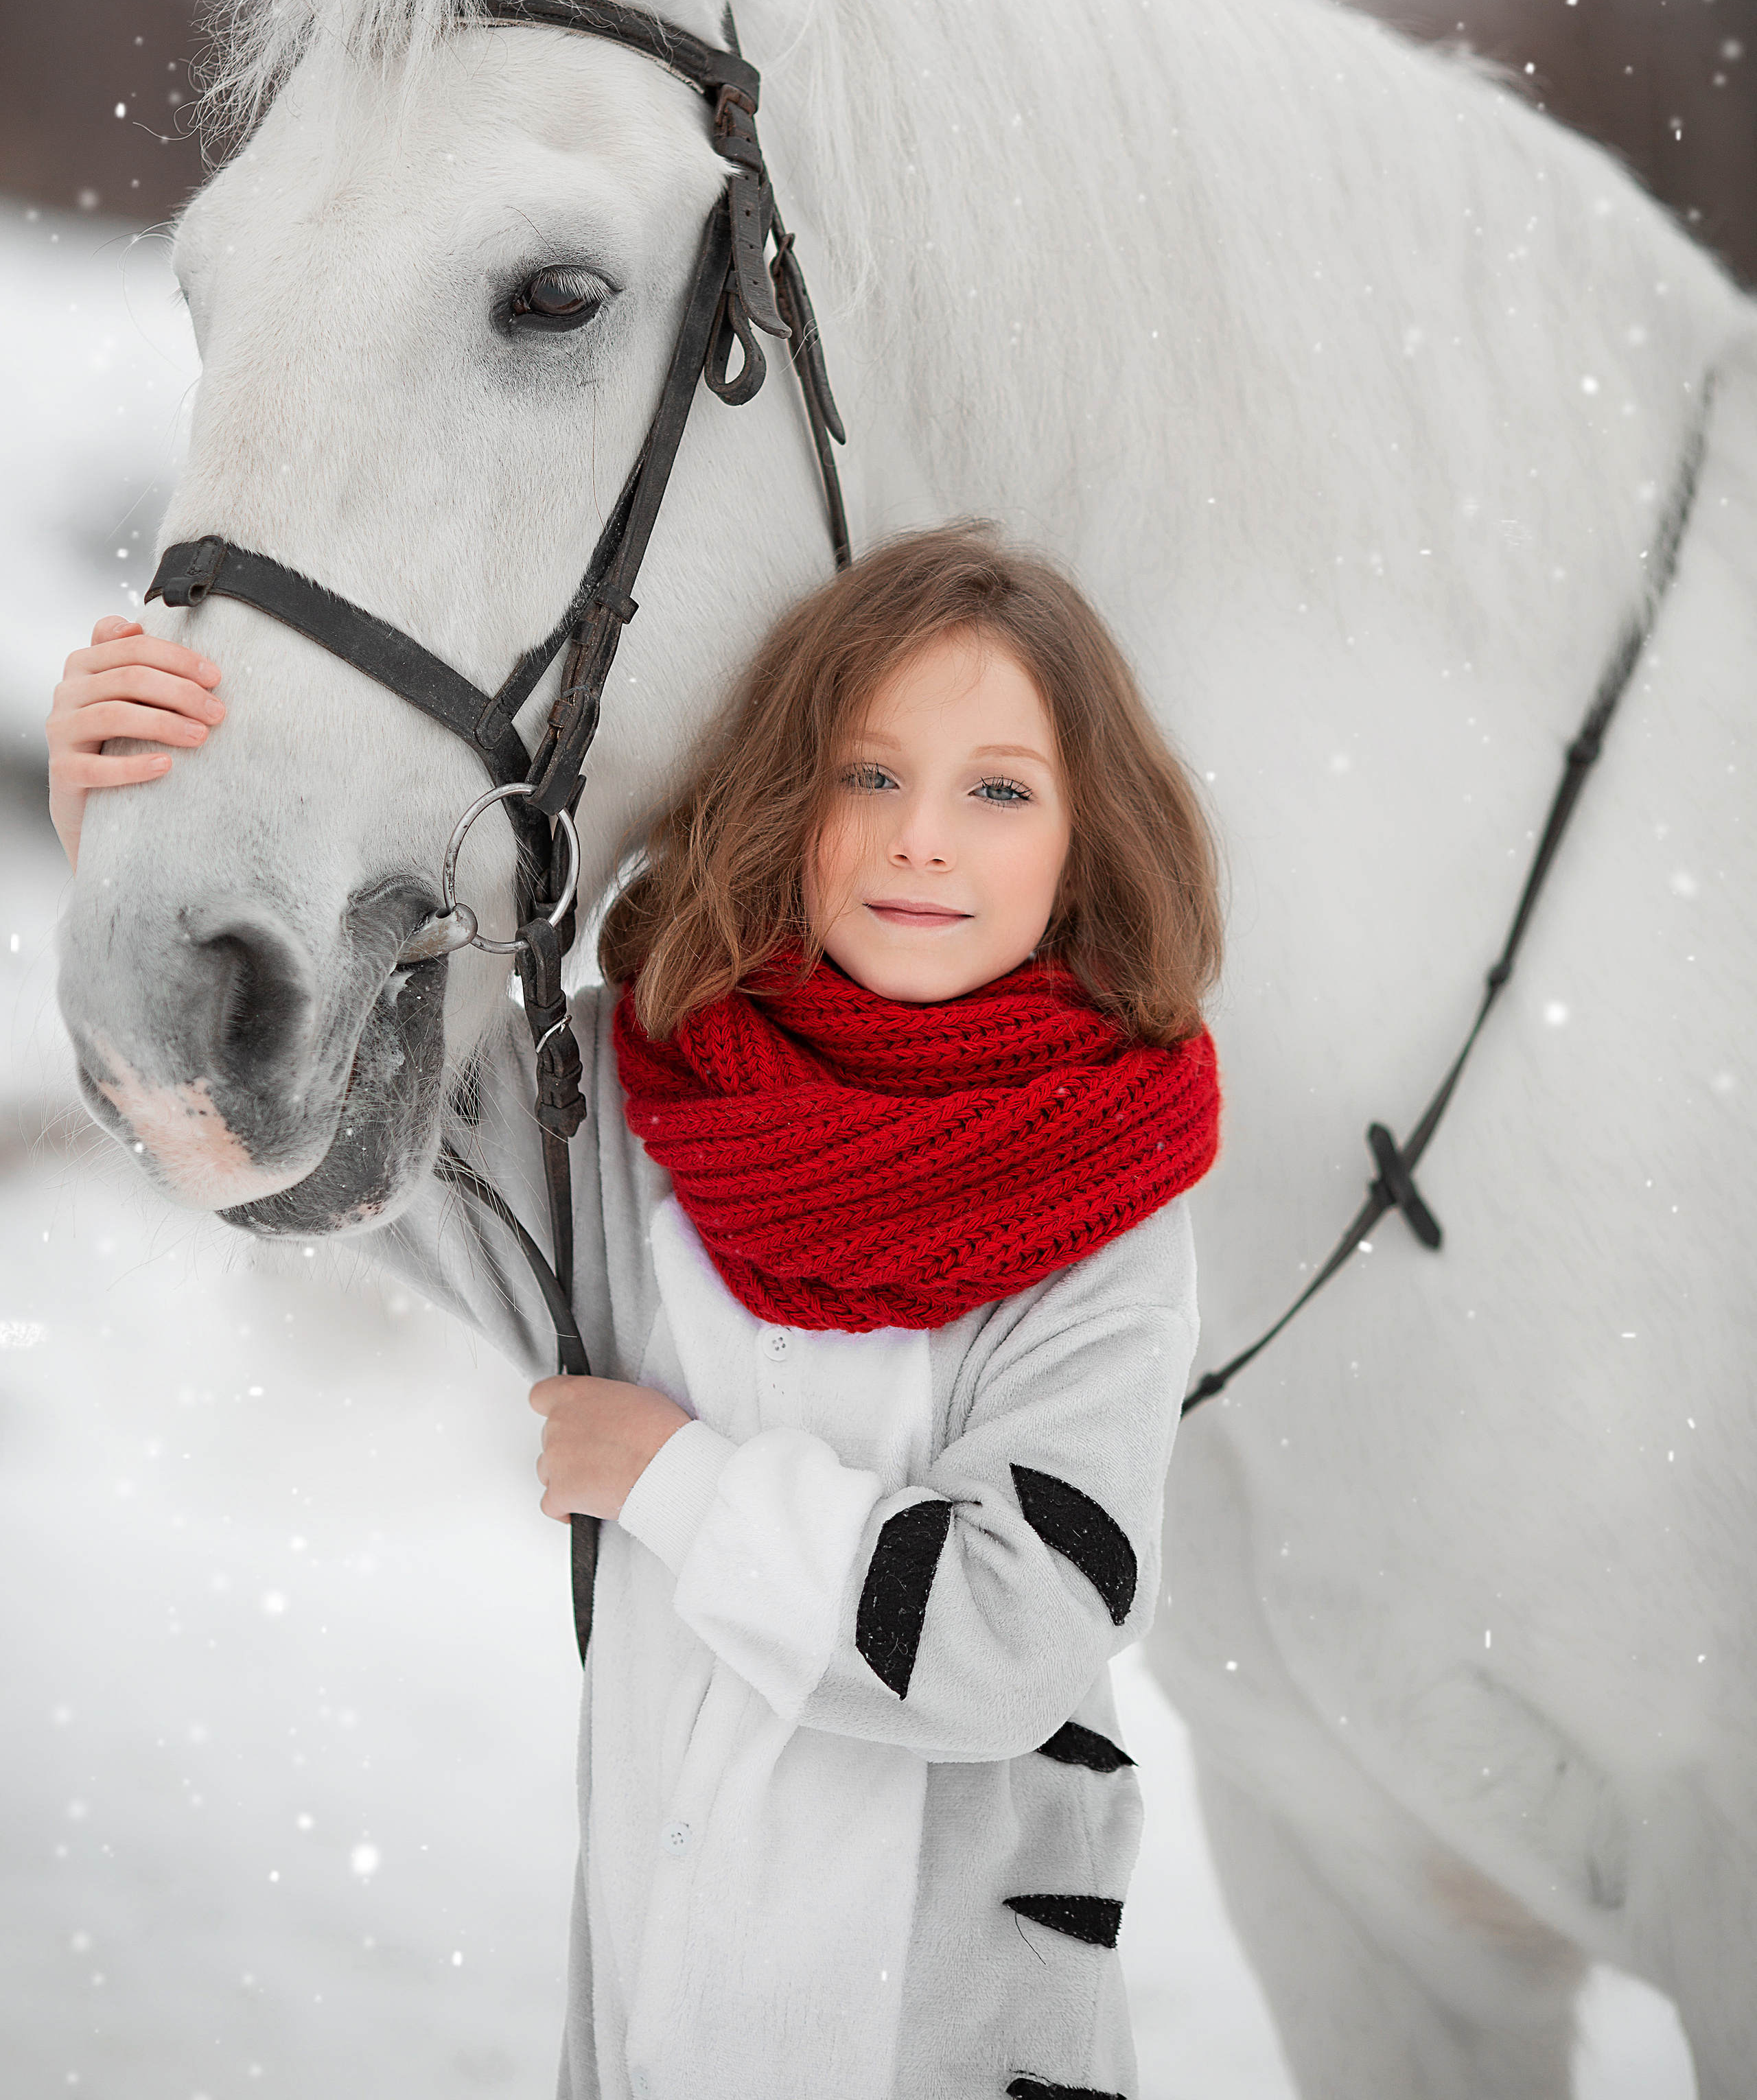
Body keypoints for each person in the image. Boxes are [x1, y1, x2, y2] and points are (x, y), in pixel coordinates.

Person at [48, 524, 1224, 2100]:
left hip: (938, 2049)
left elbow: (1008, 1641)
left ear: (1088, 842)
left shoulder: (1106, 1198)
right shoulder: (639, 1093)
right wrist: (132, 854)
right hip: (653, 2029)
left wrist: (673, 1481)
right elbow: (297, 1122)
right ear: (788, 800)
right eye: (866, 777)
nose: (919, 841)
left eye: (997, 791)